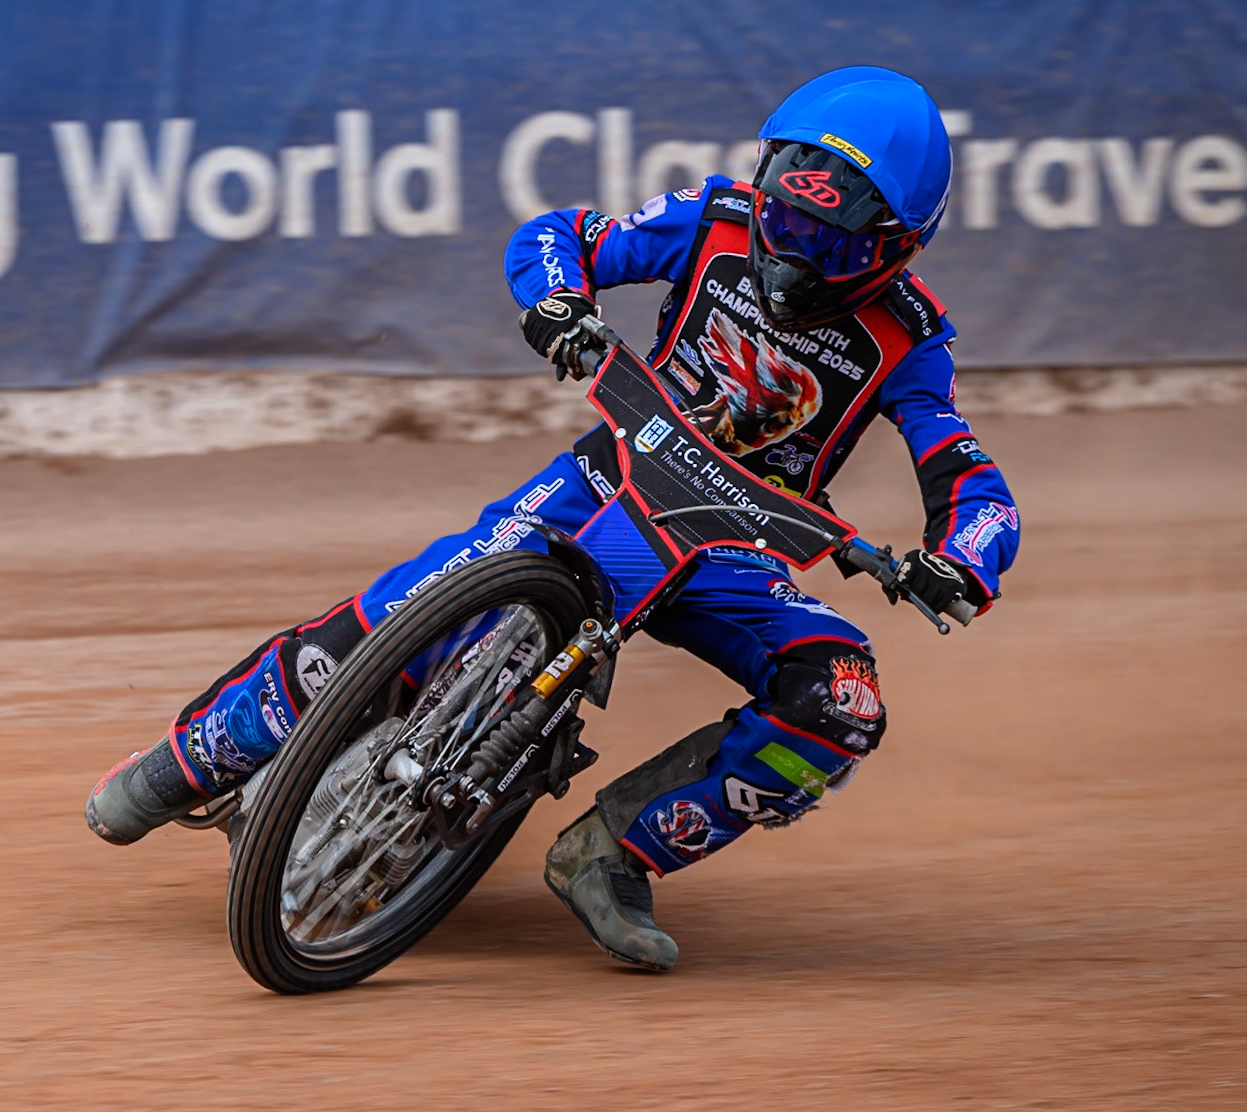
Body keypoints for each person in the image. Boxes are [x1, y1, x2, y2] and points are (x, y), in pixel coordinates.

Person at [85, 66, 1019, 972]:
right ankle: (195, 753)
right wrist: (558, 304)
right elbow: (558, 233)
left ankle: (616, 852)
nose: (792, 255)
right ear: (765, 179)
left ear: (899, 247)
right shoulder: (713, 217)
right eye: (784, 218)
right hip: (607, 478)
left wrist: (963, 558)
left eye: (835, 246)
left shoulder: (912, 339)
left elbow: (970, 478)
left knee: (841, 701)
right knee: (414, 607)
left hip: (740, 551)